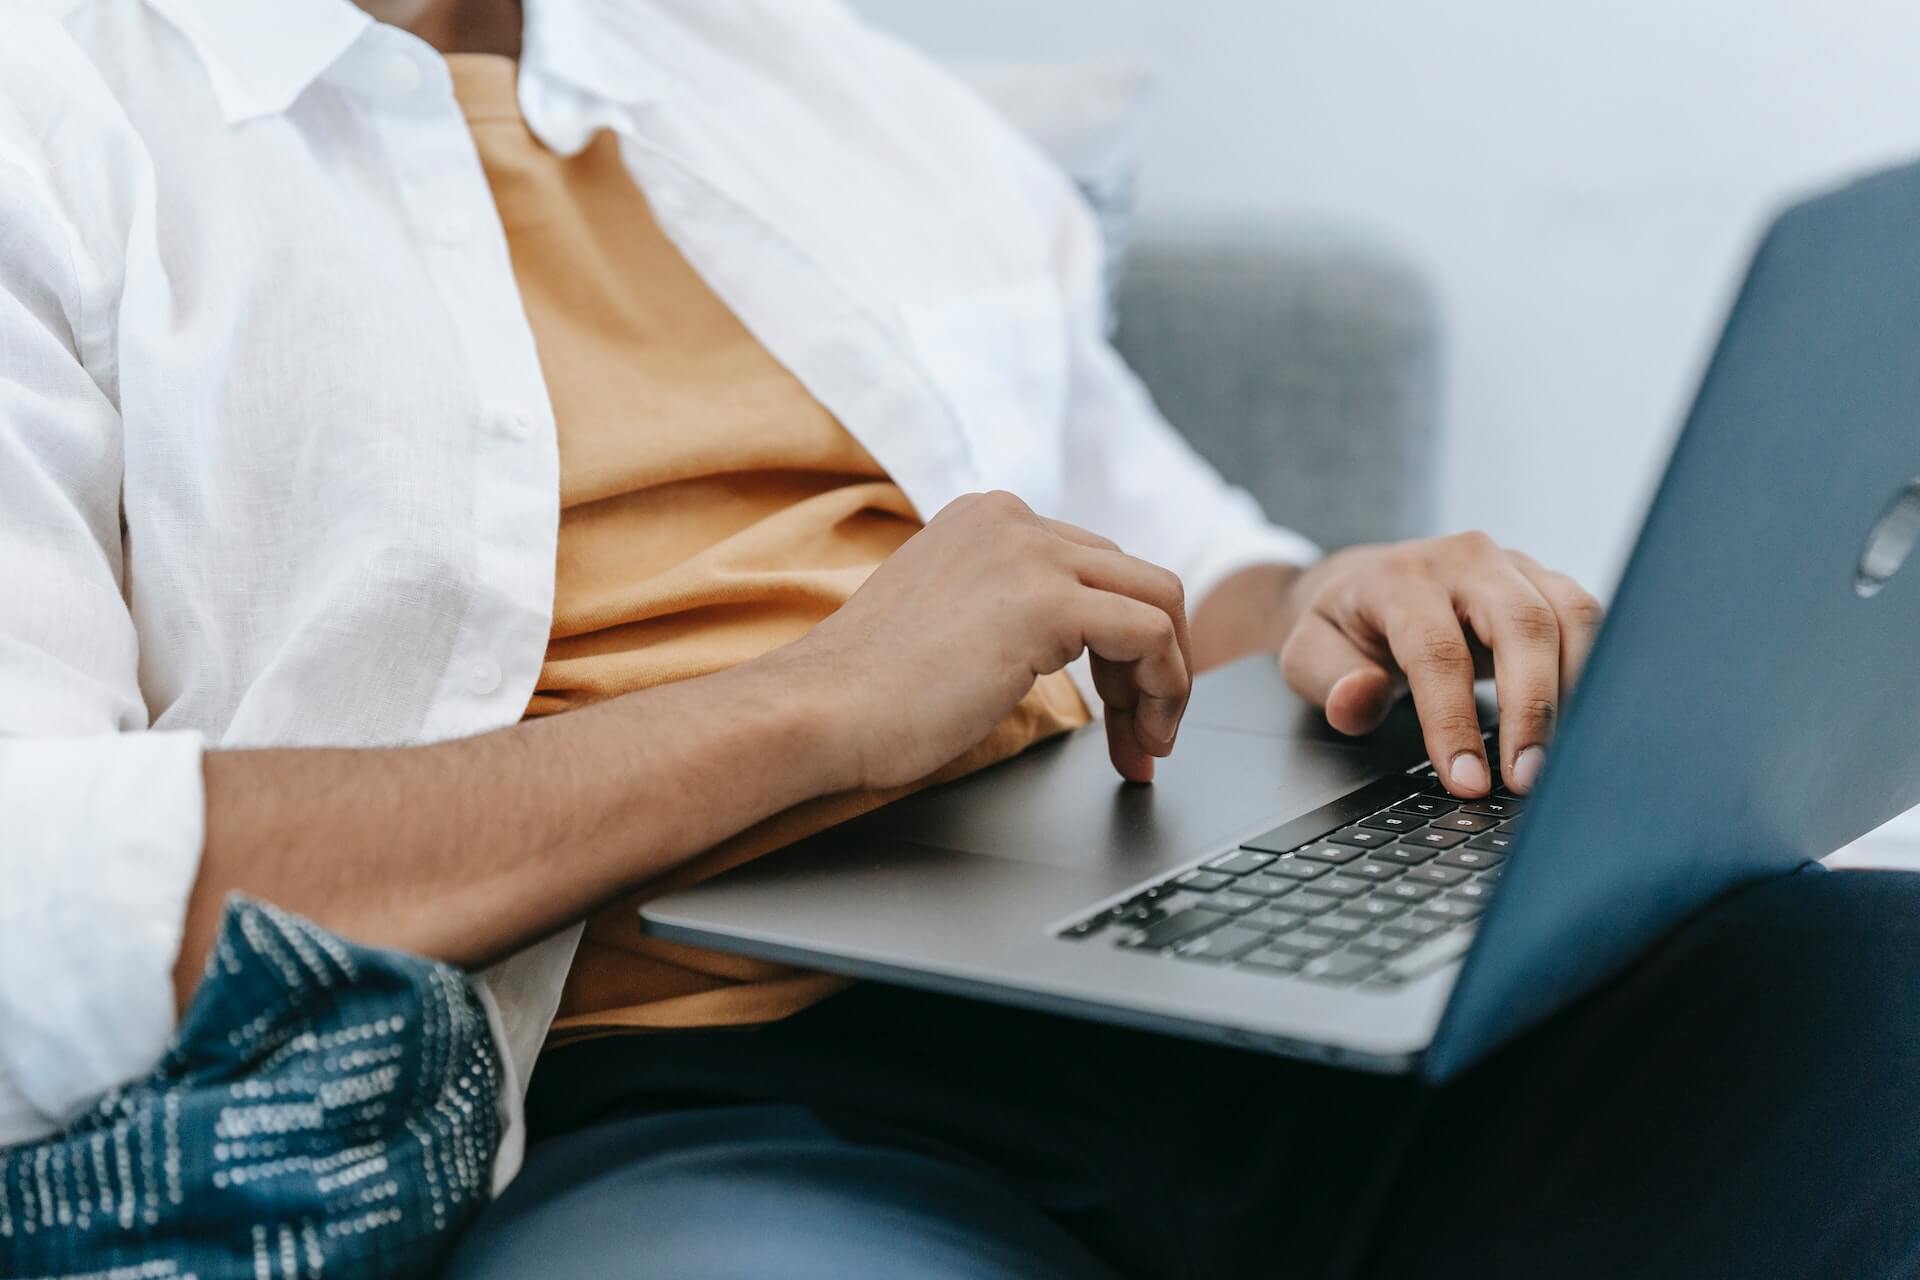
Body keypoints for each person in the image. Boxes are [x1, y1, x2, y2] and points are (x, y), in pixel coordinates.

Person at [2, 1, 1916, 1275]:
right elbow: (38, 896)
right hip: (690, 1104)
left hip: (1202, 984)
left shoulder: (822, 86)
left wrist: (1345, 610)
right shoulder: (62, 115)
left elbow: (1194, 563)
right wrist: (809, 713)